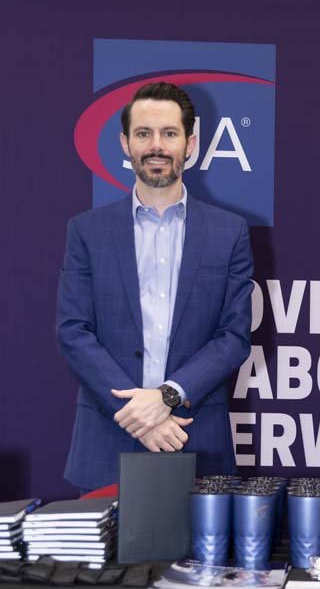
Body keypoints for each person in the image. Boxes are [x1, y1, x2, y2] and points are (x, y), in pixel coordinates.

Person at [57, 81, 253, 492]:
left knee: (197, 540)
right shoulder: (87, 231)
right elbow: (73, 331)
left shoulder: (229, 232)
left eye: (169, 133)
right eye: (144, 133)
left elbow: (233, 337)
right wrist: (137, 414)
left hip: (194, 434)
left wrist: (166, 397)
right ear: (125, 143)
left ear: (190, 144)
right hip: (107, 439)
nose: (156, 146)